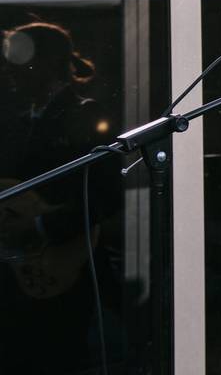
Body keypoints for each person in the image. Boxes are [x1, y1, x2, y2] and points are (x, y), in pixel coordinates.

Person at [0, 21, 119, 373]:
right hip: (19, 273)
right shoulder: (18, 119)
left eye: (17, 62)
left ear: (49, 64)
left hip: (65, 272)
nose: (9, 71)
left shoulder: (85, 113)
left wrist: (40, 225)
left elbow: (108, 194)